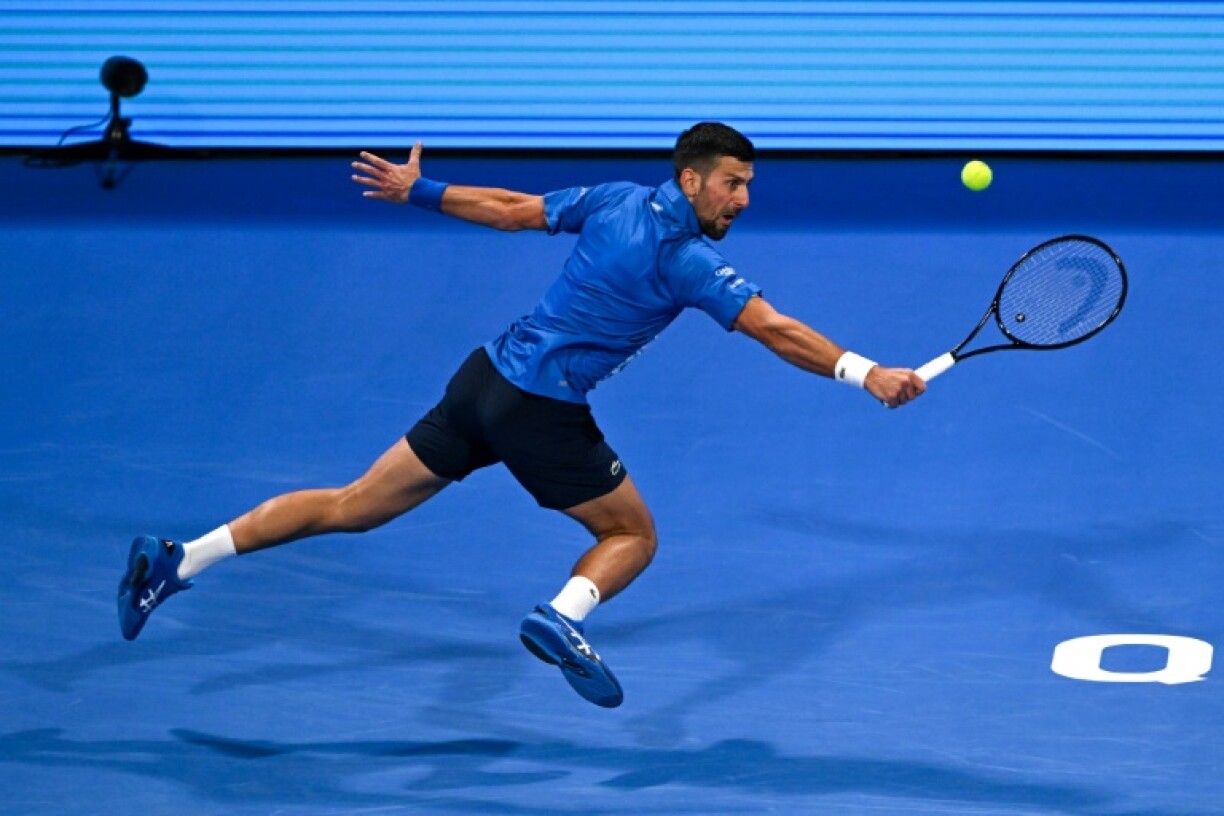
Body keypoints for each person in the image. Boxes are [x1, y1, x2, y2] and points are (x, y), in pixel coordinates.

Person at [117, 122, 925, 708]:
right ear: (691, 180)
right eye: (732, 183)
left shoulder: (613, 199)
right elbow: (773, 329)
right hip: (541, 411)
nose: (744, 199)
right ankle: (560, 618)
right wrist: (866, 373)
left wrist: (418, 190)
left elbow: (509, 208)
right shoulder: (690, 262)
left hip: (483, 380)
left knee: (353, 506)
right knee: (631, 536)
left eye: (748, 185)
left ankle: (180, 558)